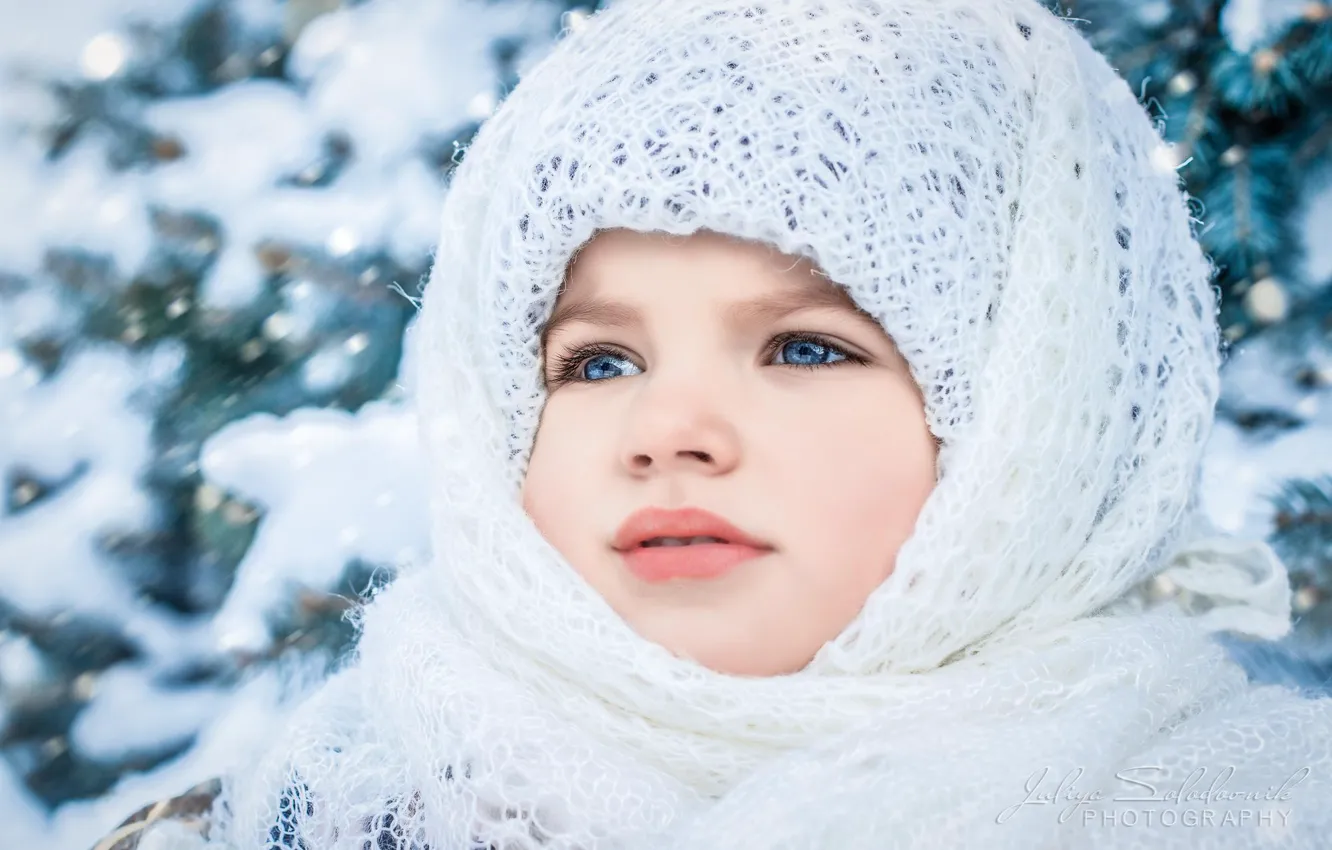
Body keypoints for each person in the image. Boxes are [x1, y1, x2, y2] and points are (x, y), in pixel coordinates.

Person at [94, 0, 1332, 847]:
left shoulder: (1250, 809)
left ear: (1039, 421)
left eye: (805, 346)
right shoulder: (324, 807)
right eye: (598, 361)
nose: (666, 429)